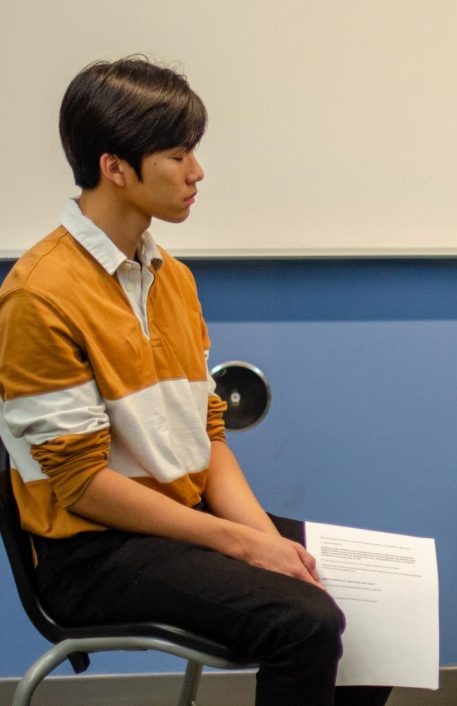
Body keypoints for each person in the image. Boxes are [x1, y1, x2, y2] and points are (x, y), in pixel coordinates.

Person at [0, 56, 392, 706]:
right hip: (93, 550)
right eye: (179, 154)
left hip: (182, 520)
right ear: (115, 167)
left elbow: (209, 438)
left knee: (380, 597)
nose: (197, 171)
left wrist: (263, 542)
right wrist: (238, 543)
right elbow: (79, 485)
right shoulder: (39, 295)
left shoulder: (171, 278)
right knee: (307, 621)